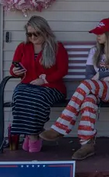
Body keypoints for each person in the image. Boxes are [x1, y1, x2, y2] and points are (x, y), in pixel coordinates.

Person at [40, 18, 109, 160]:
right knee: (88, 100)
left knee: (86, 84)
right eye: (97, 33)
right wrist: (101, 79)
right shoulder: (94, 51)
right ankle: (87, 144)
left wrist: (100, 75)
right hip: (95, 89)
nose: (97, 36)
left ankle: (60, 127)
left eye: (100, 33)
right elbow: (89, 75)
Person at [9, 16, 69, 153]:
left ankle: (32, 136)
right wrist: (16, 71)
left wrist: (45, 80)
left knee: (36, 98)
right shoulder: (23, 47)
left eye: (36, 34)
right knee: (19, 95)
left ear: (45, 31)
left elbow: (63, 70)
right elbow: (12, 69)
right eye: (29, 34)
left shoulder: (57, 47)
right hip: (27, 85)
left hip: (51, 87)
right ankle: (33, 135)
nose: (33, 37)